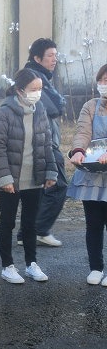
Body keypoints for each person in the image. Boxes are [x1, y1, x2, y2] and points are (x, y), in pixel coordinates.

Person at [0, 68, 57, 284]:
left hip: (35, 177)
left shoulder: (40, 111)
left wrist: (50, 170)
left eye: (40, 89)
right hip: (11, 179)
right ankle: (7, 266)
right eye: (33, 89)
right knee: (7, 222)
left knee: (30, 223)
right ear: (20, 90)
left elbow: (47, 143)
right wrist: (5, 178)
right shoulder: (4, 112)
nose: (37, 93)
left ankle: (31, 264)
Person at [19, 38, 67, 247]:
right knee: (58, 184)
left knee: (40, 187)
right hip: (43, 142)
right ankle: (39, 229)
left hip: (41, 140)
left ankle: (28, 232)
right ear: (37, 58)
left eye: (56, 55)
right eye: (50, 55)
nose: (54, 59)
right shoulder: (36, 78)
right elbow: (56, 106)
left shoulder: (37, 75)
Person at [67, 63, 107, 286]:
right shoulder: (91, 105)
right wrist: (79, 151)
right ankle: (95, 267)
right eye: (102, 80)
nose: (104, 85)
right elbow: (83, 132)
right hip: (93, 172)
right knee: (93, 223)